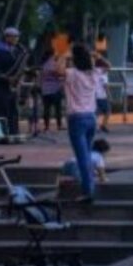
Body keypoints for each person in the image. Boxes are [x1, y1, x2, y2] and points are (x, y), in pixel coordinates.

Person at [58, 44, 100, 202]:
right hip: (91, 117)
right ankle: (90, 186)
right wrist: (97, 57)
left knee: (82, 157)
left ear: (74, 59)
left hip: (77, 118)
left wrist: (64, 55)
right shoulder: (93, 73)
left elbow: (58, 70)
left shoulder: (73, 73)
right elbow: (107, 65)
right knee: (87, 155)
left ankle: (88, 191)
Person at [0, 27, 27, 136]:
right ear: (7, 37)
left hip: (12, 86)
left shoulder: (18, 50)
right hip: (0, 85)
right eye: (14, 36)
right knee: (1, 111)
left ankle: (14, 133)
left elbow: (20, 66)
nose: (17, 39)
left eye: (17, 36)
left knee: (13, 110)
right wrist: (6, 78)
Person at [39, 50, 64, 132]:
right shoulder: (52, 62)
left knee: (47, 109)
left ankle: (46, 126)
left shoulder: (44, 64)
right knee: (58, 109)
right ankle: (59, 125)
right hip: (55, 89)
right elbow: (58, 73)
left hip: (45, 90)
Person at [94, 54, 112, 133]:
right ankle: (103, 125)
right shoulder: (103, 73)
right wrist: (109, 96)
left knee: (96, 112)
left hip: (94, 95)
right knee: (107, 111)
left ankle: (95, 126)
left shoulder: (93, 71)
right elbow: (105, 86)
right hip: (101, 96)